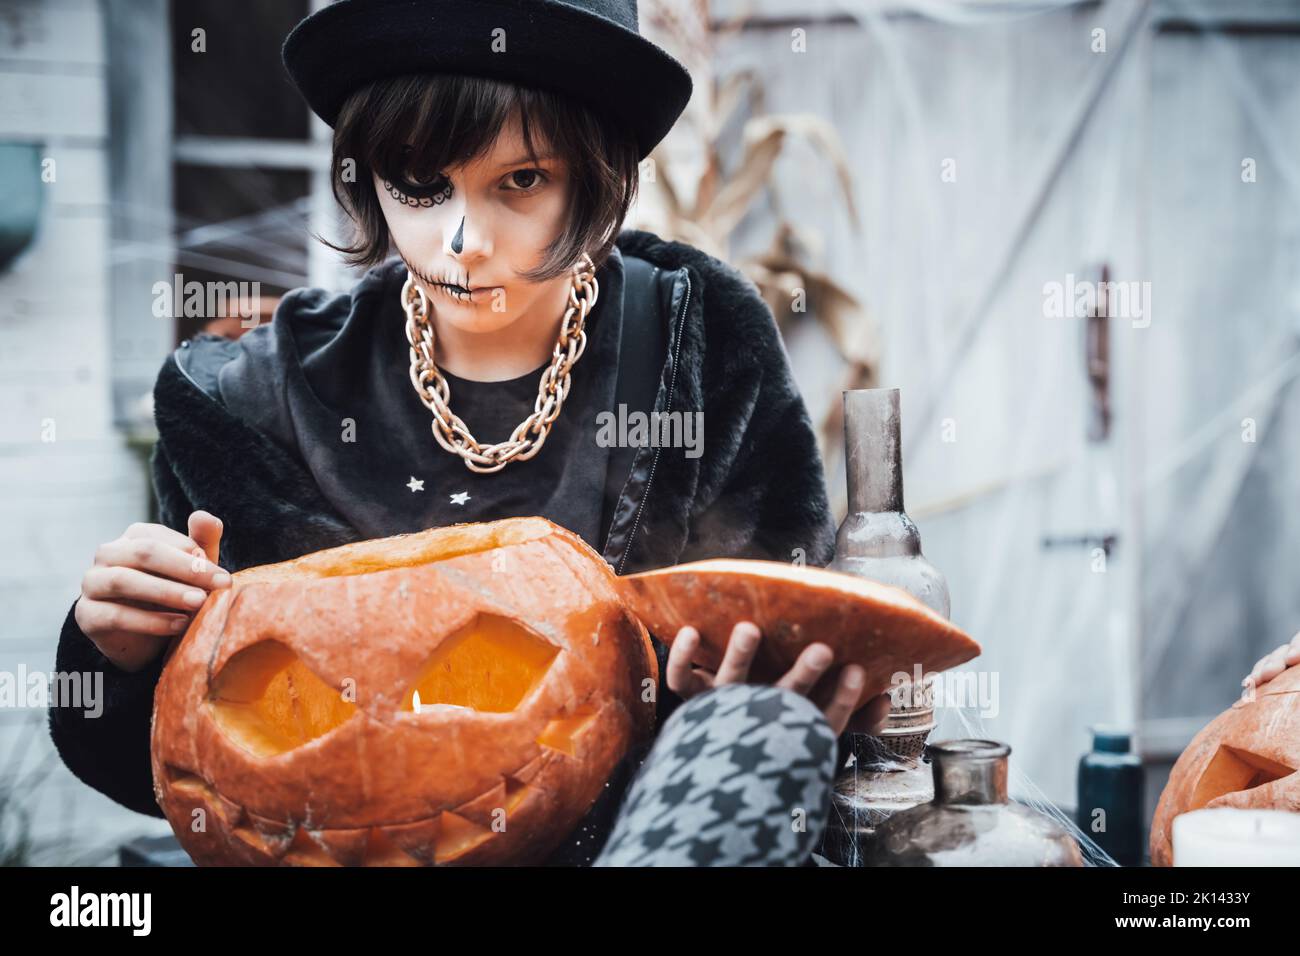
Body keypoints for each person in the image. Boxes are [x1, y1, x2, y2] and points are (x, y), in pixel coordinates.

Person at [48, 0, 889, 866]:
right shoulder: (251, 401)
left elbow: (806, 685)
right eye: (418, 182)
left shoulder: (696, 341)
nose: (463, 241)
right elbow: (199, 777)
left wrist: (749, 694)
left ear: (594, 171)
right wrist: (117, 654)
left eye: (521, 180)